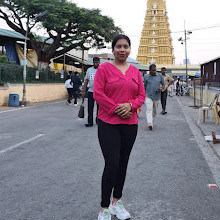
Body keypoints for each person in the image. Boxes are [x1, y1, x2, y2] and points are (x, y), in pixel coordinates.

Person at [93, 34, 145, 220]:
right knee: (112, 164)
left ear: (129, 49)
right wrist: (117, 108)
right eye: (118, 46)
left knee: (123, 163)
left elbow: (141, 95)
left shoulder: (135, 72)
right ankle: (104, 207)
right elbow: (98, 94)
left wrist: (131, 106)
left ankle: (117, 202)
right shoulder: (104, 69)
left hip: (130, 124)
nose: (122, 50)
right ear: (113, 49)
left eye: (126, 46)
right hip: (108, 123)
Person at [144, 64, 164, 130]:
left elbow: (163, 85)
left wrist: (160, 89)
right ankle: (150, 123)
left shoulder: (159, 76)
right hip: (148, 96)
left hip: (157, 96)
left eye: (155, 70)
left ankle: (152, 121)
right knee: (149, 109)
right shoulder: (146, 77)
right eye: (153, 70)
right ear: (150, 70)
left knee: (154, 112)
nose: (154, 71)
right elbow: (144, 86)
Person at [82, 57, 100, 127]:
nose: (95, 64)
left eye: (97, 62)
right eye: (94, 62)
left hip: (99, 92)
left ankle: (98, 121)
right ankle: (90, 122)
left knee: (99, 108)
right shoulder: (89, 70)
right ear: (93, 63)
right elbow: (86, 81)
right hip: (90, 91)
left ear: (99, 62)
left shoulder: (101, 69)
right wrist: (83, 91)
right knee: (90, 108)